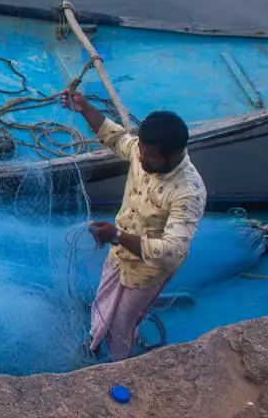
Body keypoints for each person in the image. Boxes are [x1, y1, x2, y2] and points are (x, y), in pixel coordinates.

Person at [61, 90, 206, 361]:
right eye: (140, 152)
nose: (140, 160)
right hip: (119, 252)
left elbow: (173, 251)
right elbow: (115, 137)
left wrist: (116, 235)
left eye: (150, 158)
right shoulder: (143, 153)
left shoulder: (188, 192)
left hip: (147, 271)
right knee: (103, 299)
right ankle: (94, 340)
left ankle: (120, 366)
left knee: (122, 325)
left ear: (174, 155)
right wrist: (85, 108)